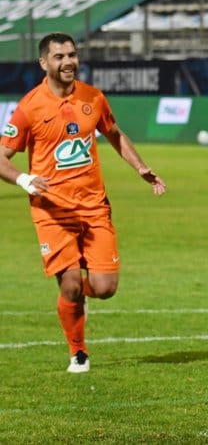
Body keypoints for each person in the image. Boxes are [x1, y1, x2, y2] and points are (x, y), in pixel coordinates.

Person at [0, 32, 166, 373]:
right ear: (43, 63)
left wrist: (141, 167)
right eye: (59, 57)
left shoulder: (93, 97)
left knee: (105, 288)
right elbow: (1, 156)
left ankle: (76, 299)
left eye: (72, 55)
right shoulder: (29, 107)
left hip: (94, 208)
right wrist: (24, 179)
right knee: (72, 284)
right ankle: (78, 351)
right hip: (52, 212)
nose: (68, 62)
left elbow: (114, 133)